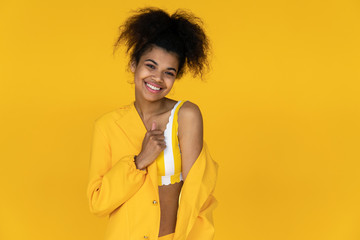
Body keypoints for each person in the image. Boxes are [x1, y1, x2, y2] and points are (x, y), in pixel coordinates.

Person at [87, 7, 219, 240]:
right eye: (150, 65)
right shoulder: (107, 126)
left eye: (169, 72)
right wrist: (139, 162)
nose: (157, 78)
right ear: (133, 64)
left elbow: (197, 196)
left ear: (175, 77)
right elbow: (97, 202)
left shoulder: (186, 116)